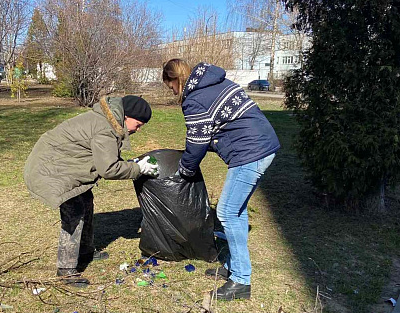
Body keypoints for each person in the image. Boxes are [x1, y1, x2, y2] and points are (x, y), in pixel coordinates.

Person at [162, 59, 280, 300]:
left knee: (226, 212)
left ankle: (241, 281)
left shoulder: (195, 98)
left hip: (251, 152)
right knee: (237, 211)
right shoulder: (216, 82)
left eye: (170, 86)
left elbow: (197, 143)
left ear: (176, 79)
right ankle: (233, 266)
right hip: (262, 146)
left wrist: (185, 170)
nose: (172, 91)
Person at [24, 95, 158, 287]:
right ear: (126, 116)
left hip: (61, 163)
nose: (138, 129)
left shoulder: (109, 122)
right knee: (75, 213)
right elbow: (109, 169)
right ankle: (66, 271)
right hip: (52, 170)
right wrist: (138, 169)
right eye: (138, 124)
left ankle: (85, 250)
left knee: (86, 200)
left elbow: (105, 157)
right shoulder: (105, 128)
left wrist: (130, 165)